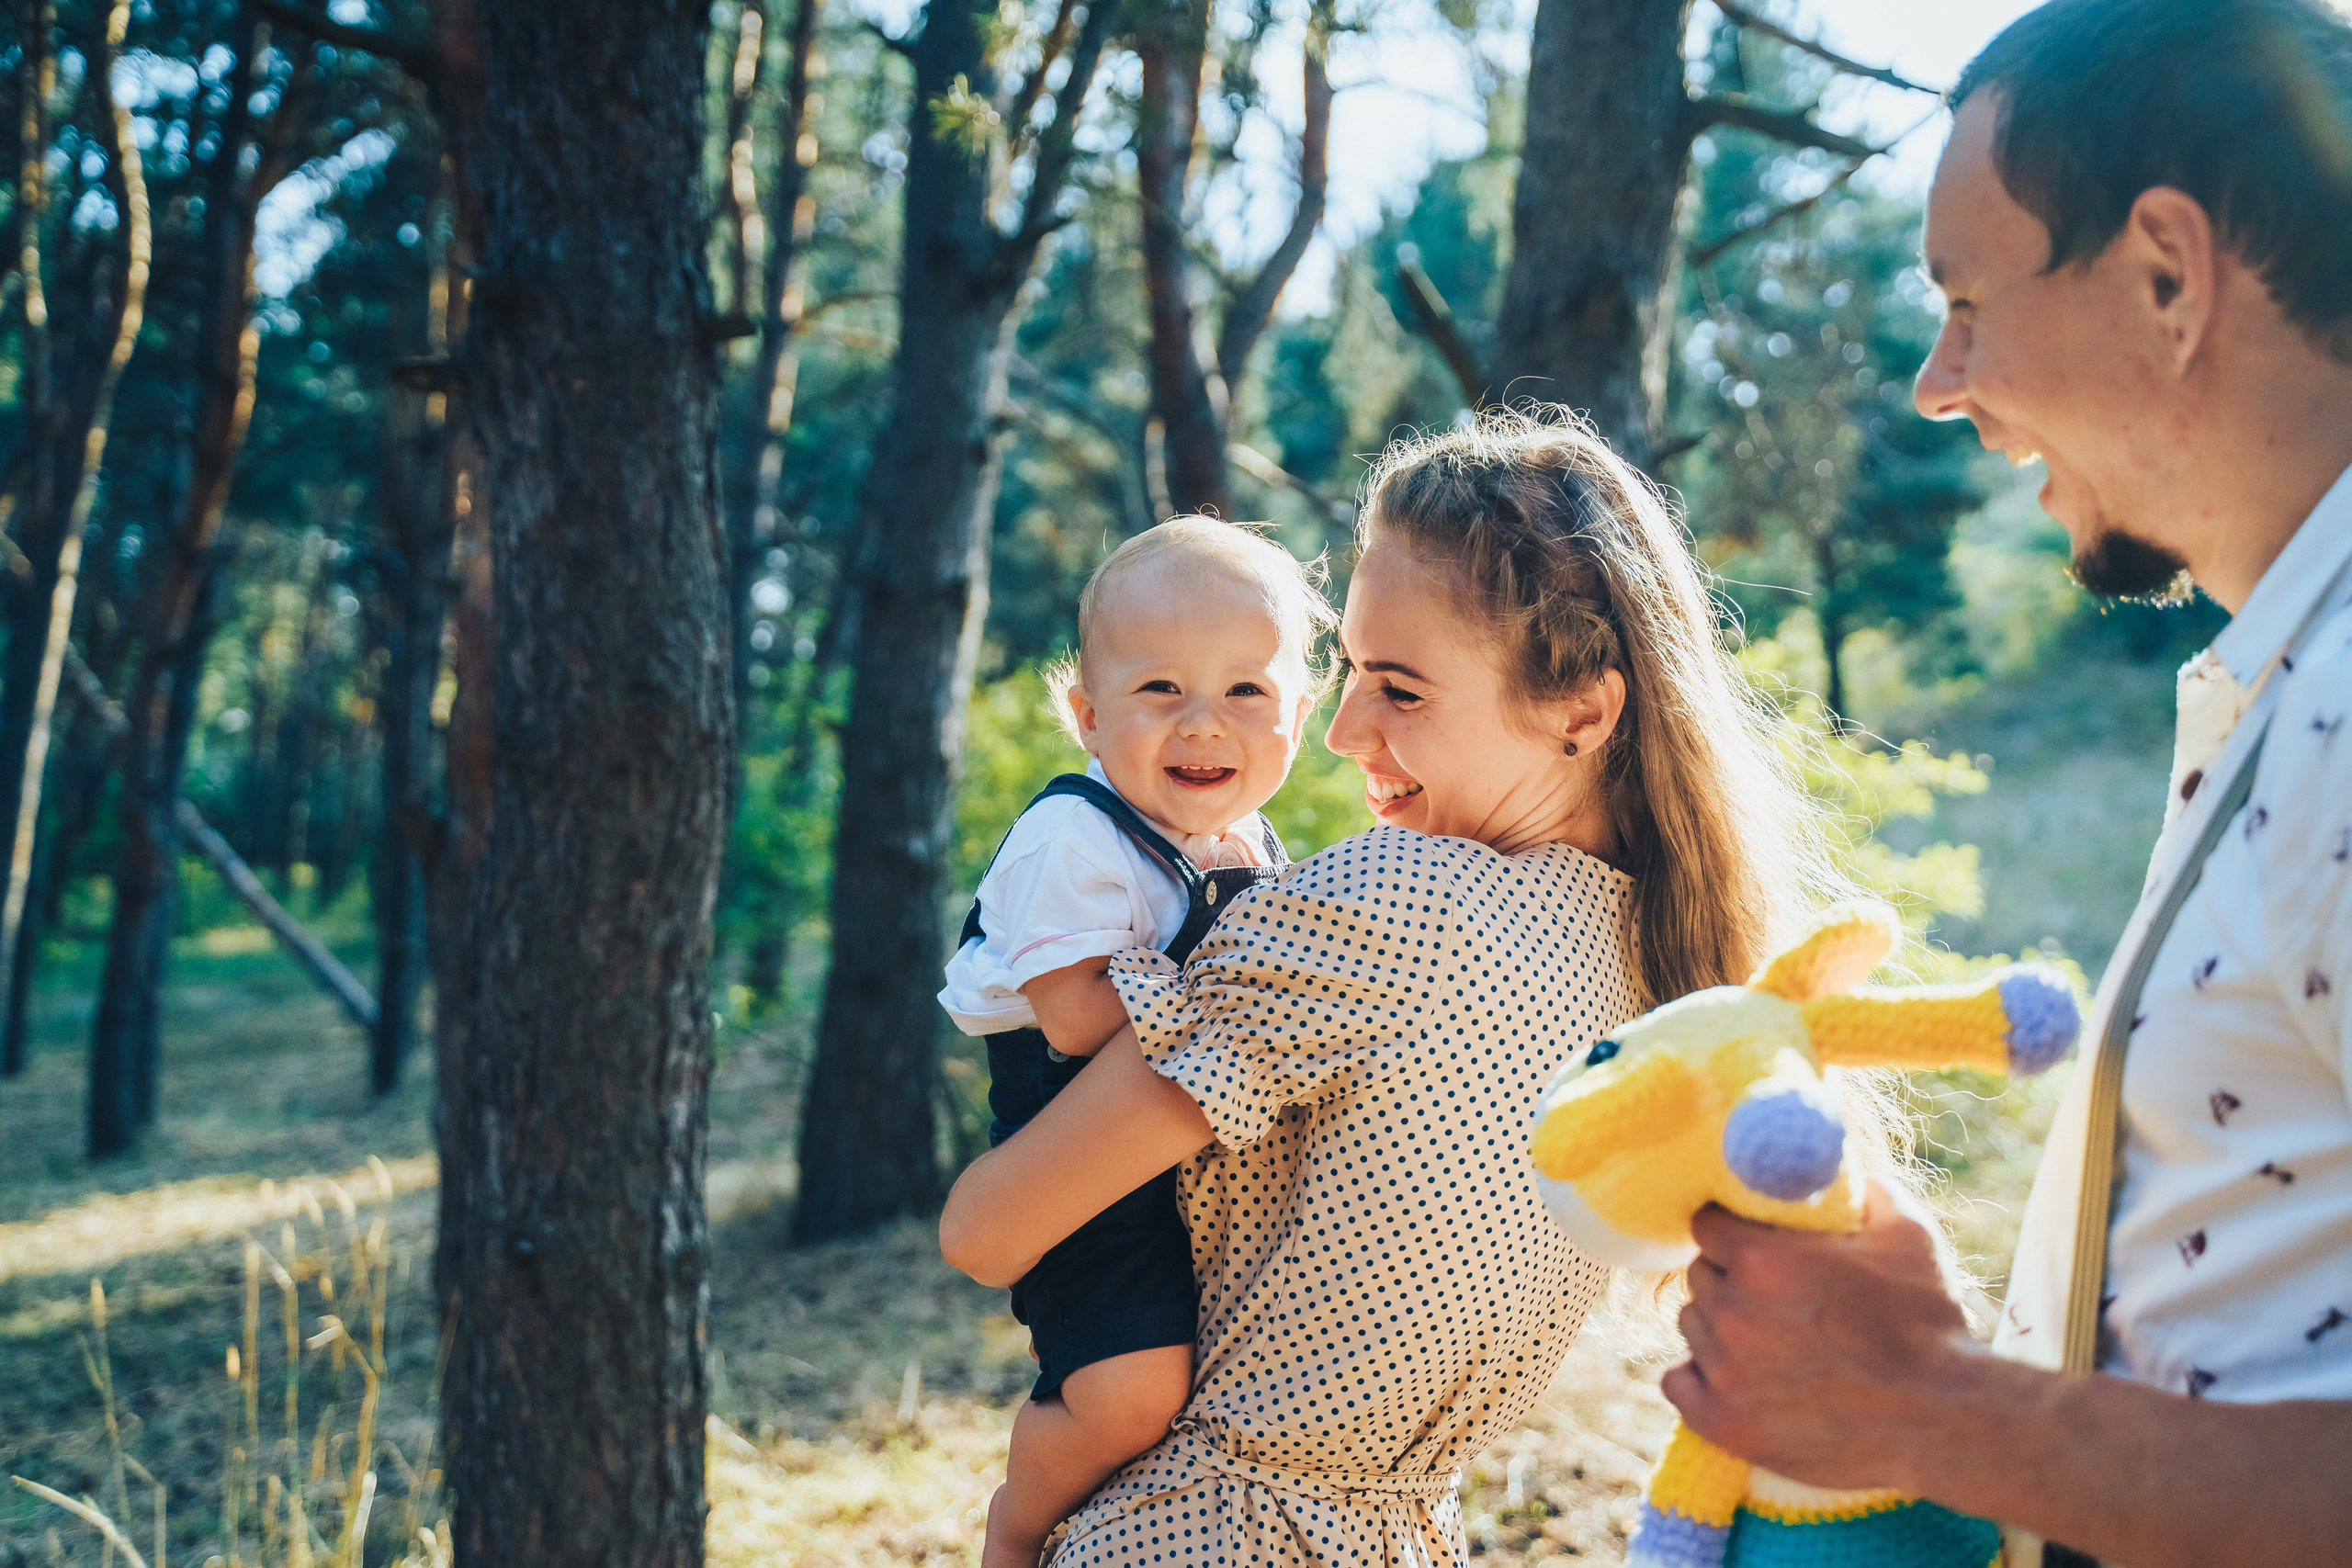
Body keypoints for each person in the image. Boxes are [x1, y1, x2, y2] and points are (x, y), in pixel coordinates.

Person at [1658, 4, 2352, 1564]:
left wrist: (1928, 1409)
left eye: (1967, 299)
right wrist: (1957, 1368)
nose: (1935, 381)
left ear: (2167, 276)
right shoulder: (2291, 676)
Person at [941, 410, 1857, 1565]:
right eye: (1345, 674)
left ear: (1583, 710)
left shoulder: (1398, 901)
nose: (1340, 730)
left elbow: (987, 1228)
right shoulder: (1667, 984)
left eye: (1400, 689)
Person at [941, 516, 1330, 1568]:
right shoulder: (1071, 837)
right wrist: (1247, 991)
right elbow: (1073, 1015)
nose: (1204, 724)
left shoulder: (1243, 843)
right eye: (1161, 690)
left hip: (1179, 1126)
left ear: (1298, 714)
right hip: (1069, 1123)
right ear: (1087, 716)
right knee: (1129, 1395)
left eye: (1246, 692)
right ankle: (1019, 1519)